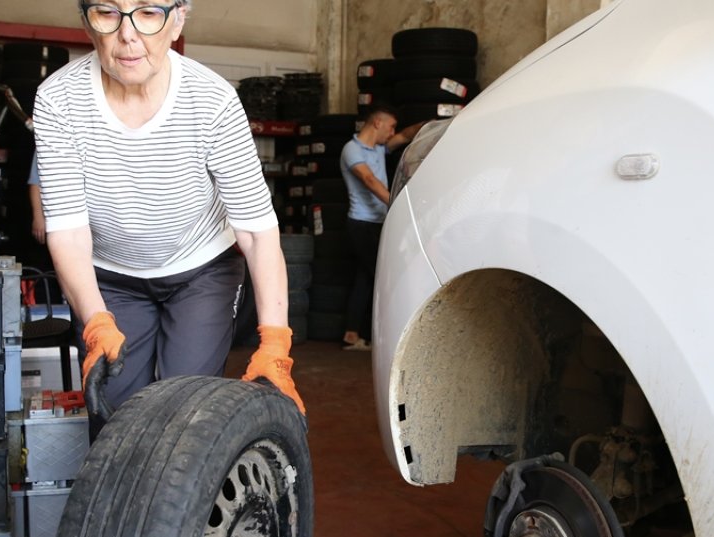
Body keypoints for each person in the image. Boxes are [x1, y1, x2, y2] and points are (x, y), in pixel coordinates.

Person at [31, 0, 305, 436]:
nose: (128, 34)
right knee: (114, 421)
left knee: (186, 411)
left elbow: (256, 231)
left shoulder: (213, 99)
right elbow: (66, 230)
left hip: (201, 271)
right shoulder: (59, 99)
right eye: (107, 12)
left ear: (178, 18)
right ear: (86, 23)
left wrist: (275, 342)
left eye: (149, 12)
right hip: (112, 276)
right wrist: (96, 322)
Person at [339, 106, 424, 351]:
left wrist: (432, 123)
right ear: (377, 123)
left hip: (378, 223)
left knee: (365, 278)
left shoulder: (379, 149)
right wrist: (398, 204)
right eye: (390, 127)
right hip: (361, 224)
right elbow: (369, 180)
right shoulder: (352, 149)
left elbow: (406, 136)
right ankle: (380, 337)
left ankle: (353, 334)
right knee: (381, 277)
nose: (392, 133)